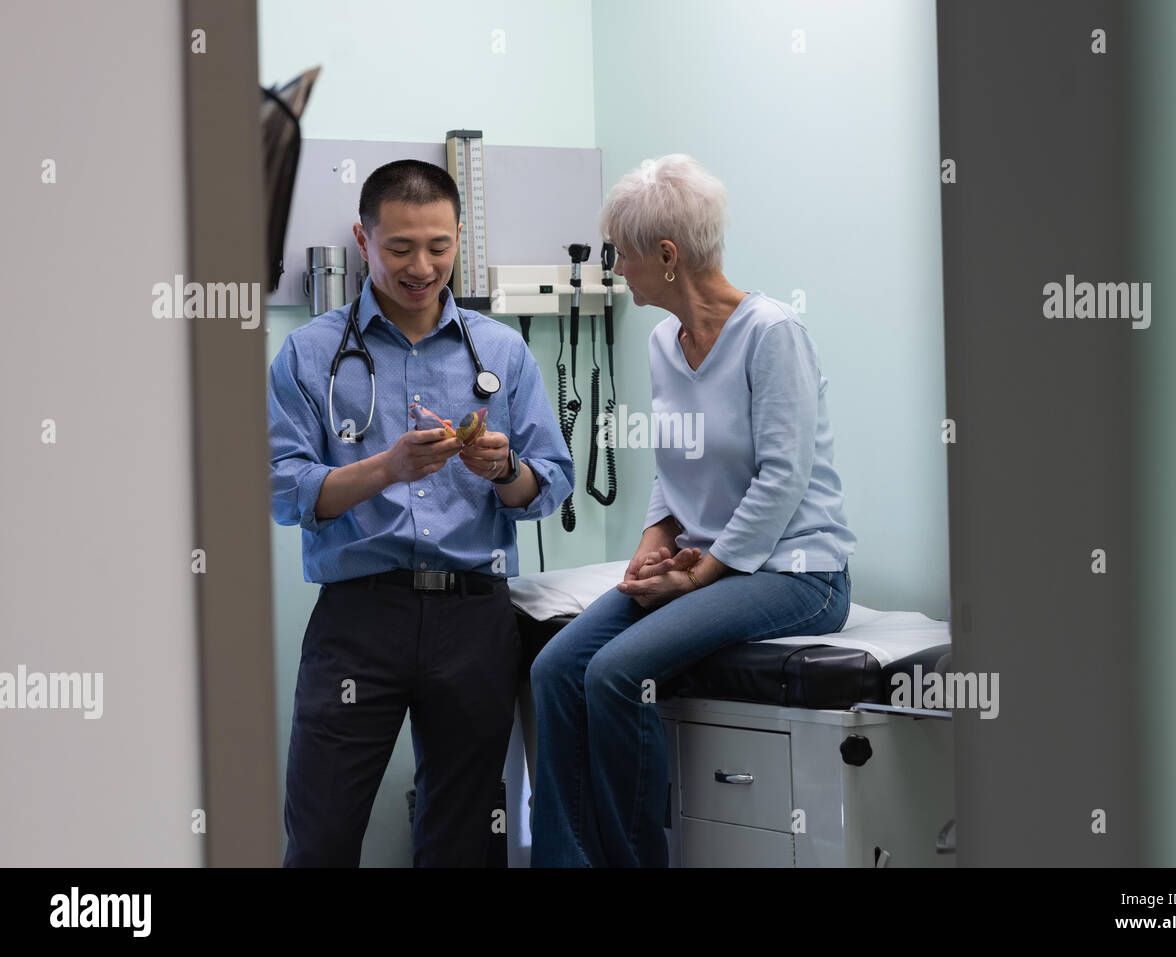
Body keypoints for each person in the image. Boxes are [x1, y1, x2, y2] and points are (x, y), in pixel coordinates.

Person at [529, 154, 857, 867]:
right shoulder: (661, 342)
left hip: (798, 572)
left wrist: (705, 570)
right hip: (711, 563)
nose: (616, 268)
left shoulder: (772, 333)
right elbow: (673, 461)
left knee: (615, 672)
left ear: (667, 256)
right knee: (555, 668)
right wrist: (654, 542)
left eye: (621, 253)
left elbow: (783, 478)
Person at [269, 159, 574, 867]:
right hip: (358, 620)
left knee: (465, 834)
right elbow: (284, 490)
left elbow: (551, 484)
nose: (421, 265)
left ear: (459, 239)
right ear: (363, 239)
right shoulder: (311, 353)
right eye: (400, 247)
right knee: (321, 833)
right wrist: (386, 468)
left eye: (439, 246)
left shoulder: (499, 349)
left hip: (474, 619)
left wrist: (504, 470)